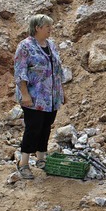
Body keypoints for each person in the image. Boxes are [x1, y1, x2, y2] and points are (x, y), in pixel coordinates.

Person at [14, 14, 65, 180]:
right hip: (34, 96)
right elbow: (20, 72)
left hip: (51, 95)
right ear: (37, 28)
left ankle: (41, 158)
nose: (50, 29)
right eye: (47, 26)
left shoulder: (50, 45)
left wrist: (62, 91)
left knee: (46, 125)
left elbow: (57, 70)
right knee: (33, 127)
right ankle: (23, 163)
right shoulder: (25, 46)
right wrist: (25, 94)